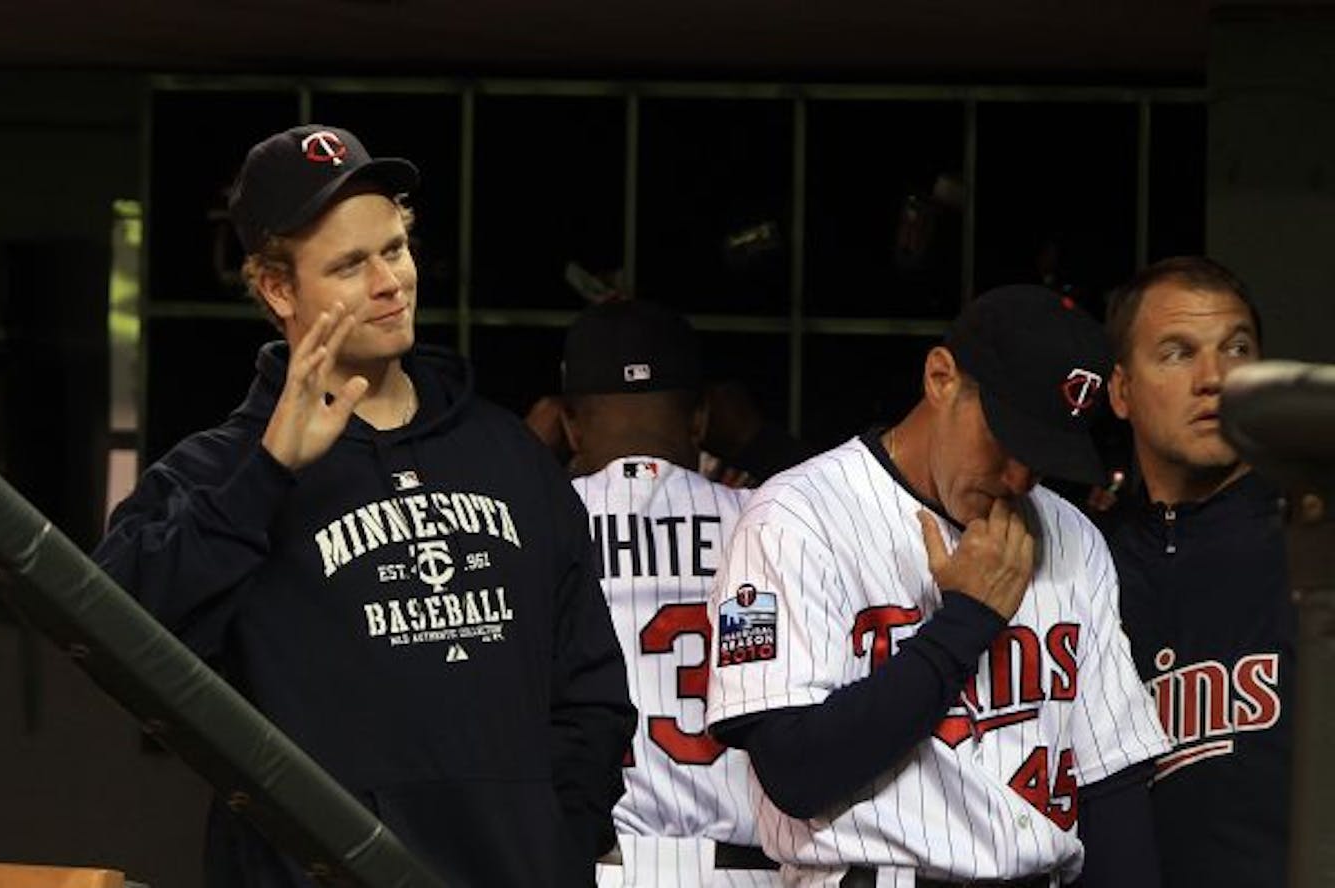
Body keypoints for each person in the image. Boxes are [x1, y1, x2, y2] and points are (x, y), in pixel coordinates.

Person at [93, 124, 635, 887]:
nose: (389, 282)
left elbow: (590, 689)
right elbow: (114, 633)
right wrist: (270, 472)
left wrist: (551, 842)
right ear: (278, 288)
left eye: (395, 248)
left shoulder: (507, 452)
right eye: (350, 265)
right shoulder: (216, 473)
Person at [704, 285, 1169, 888]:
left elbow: (1112, 788)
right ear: (941, 378)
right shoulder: (797, 518)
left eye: (1042, 454)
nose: (1020, 475)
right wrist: (964, 623)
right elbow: (795, 771)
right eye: (1006, 439)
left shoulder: (1070, 534)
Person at [557, 300, 782, 887]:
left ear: (571, 425)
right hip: (745, 872)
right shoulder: (767, 522)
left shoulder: (535, 528)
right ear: (699, 420)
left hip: (597, 869)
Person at [1102, 256, 1294, 888]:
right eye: (1178, 353)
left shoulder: (1310, 547)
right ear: (1122, 392)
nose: (1214, 378)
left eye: (1236, 348)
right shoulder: (1081, 562)